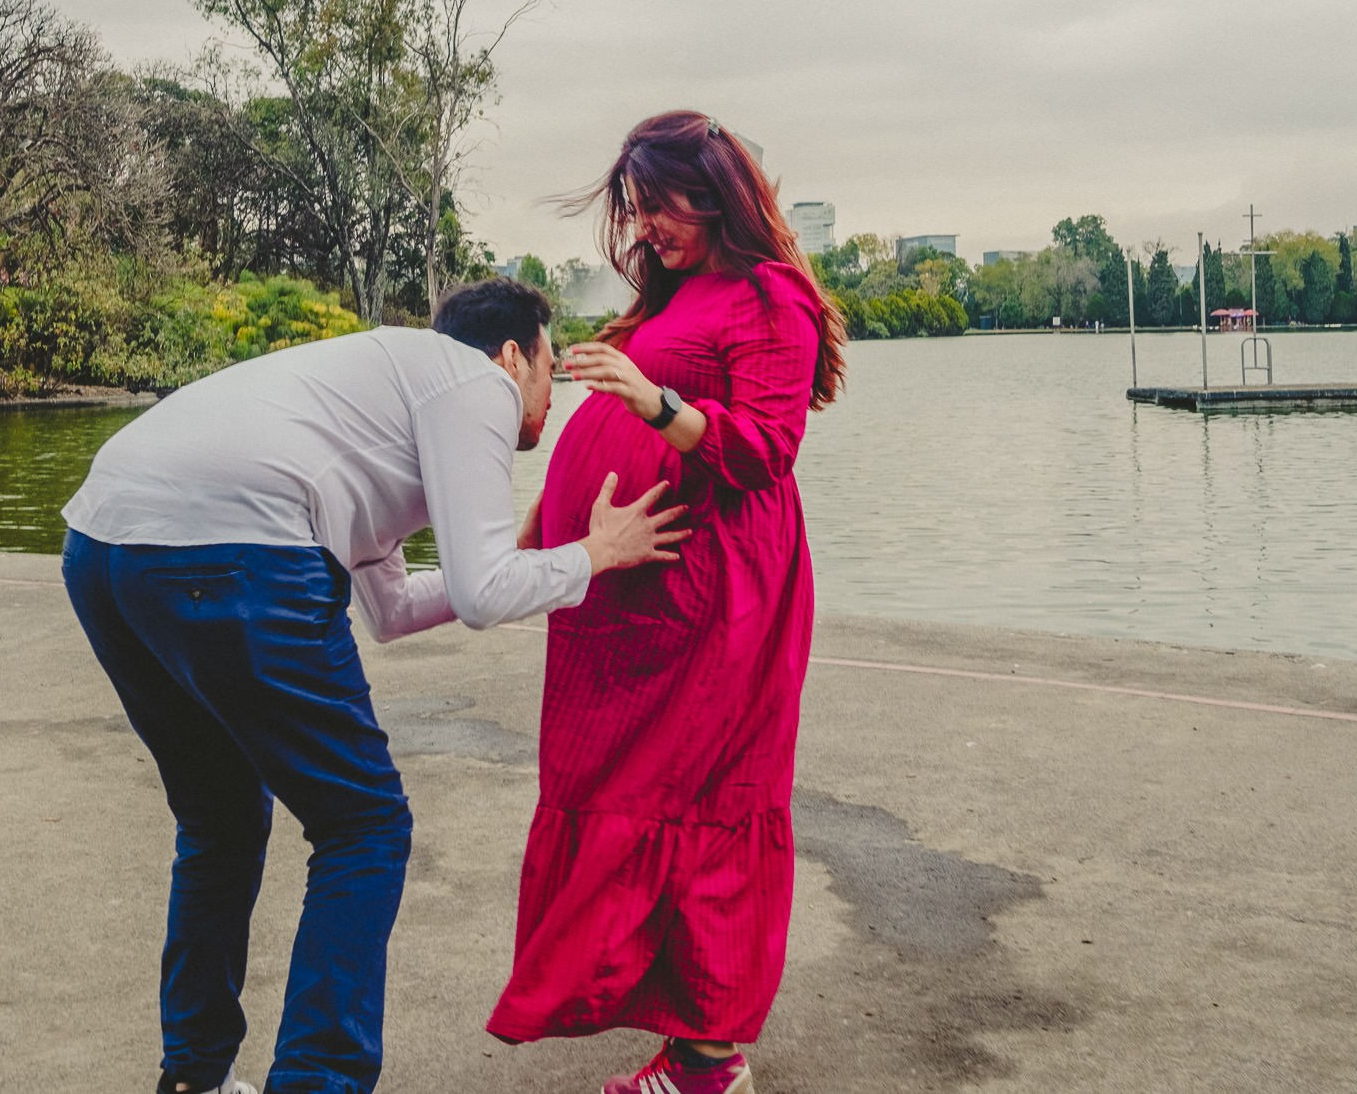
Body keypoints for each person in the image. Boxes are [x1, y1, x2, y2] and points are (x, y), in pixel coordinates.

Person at [59, 277, 688, 1094]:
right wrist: (595, 555)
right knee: (365, 827)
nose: (549, 393)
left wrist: (526, 555)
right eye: (549, 366)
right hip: (234, 545)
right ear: (511, 354)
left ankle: (193, 1080)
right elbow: (482, 593)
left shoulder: (389, 391)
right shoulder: (477, 384)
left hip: (103, 547)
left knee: (219, 819)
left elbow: (389, 606)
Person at [487, 112, 847, 1094]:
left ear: (713, 192)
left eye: (658, 207)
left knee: (704, 799)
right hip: (632, 597)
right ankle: (678, 1032)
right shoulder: (681, 292)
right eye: (636, 211)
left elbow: (764, 451)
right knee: (624, 782)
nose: (645, 228)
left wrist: (650, 402)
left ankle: (706, 1061)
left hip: (714, 594)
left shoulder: (771, 297)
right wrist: (543, 529)